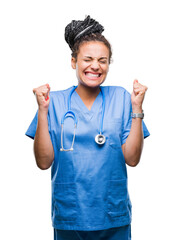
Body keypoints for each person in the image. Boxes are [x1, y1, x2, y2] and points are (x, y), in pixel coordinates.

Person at [26, 15, 150, 240]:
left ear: (108, 65)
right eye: (88, 59)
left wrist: (137, 108)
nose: (95, 66)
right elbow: (43, 162)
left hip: (113, 215)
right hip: (71, 216)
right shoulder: (53, 102)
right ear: (74, 62)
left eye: (103, 60)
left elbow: (132, 159)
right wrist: (42, 111)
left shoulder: (122, 98)